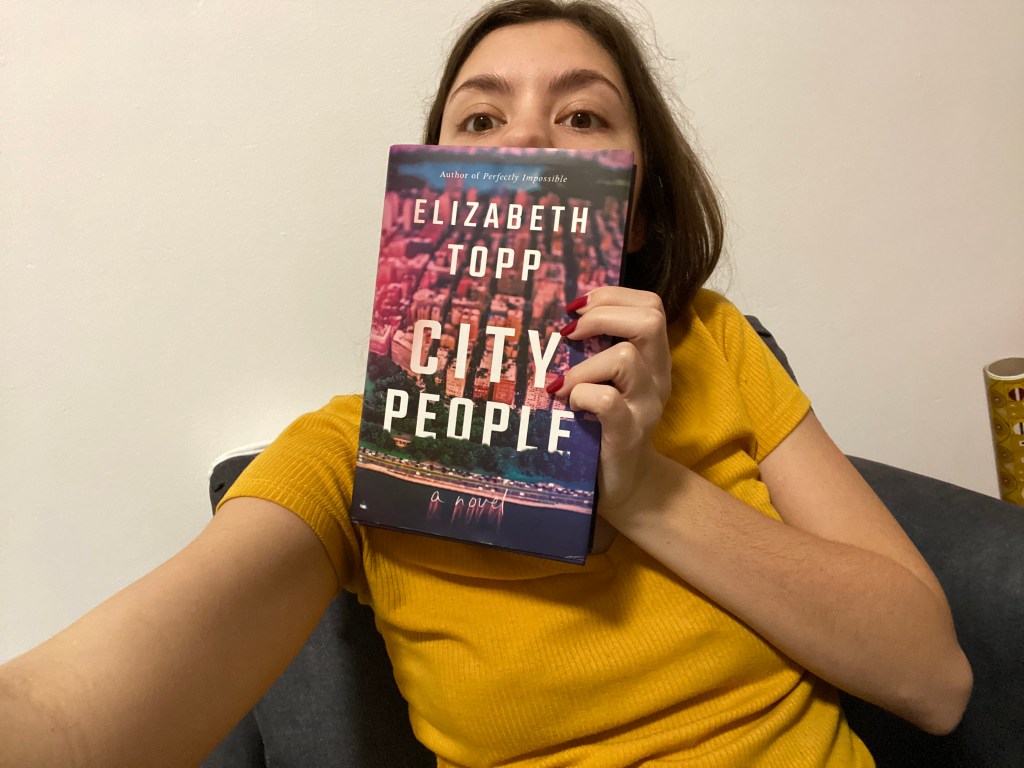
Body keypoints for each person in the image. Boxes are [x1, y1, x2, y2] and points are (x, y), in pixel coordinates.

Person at [0, 1, 971, 766]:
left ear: (636, 207)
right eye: (481, 118)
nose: (526, 142)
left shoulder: (715, 344)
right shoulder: (358, 451)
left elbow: (934, 680)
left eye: (581, 116)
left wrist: (644, 490)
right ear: (433, 185)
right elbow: (65, 710)